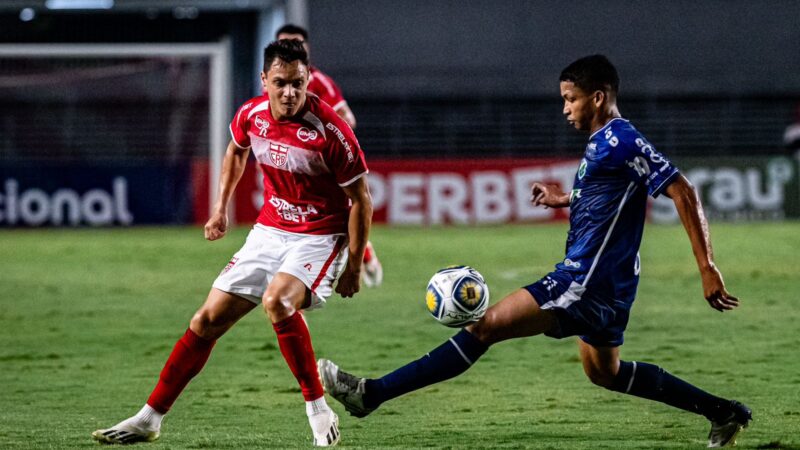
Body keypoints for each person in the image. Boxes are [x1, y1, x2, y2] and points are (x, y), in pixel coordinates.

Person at [318, 55, 752, 448]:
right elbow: (613, 196)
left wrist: (707, 266)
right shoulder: (605, 142)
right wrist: (566, 199)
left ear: (598, 98)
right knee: (605, 372)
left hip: (585, 280)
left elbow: (682, 190)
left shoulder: (621, 139)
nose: (565, 108)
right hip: (611, 284)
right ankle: (723, 412)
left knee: (484, 327)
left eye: (571, 99)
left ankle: (371, 394)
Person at [92, 39, 372, 447]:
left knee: (277, 301)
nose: (289, 92)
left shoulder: (332, 132)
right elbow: (236, 151)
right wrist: (220, 207)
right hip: (270, 230)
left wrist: (354, 265)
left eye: (297, 83)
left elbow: (361, 199)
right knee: (205, 321)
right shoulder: (251, 115)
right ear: (264, 81)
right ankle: (149, 418)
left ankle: (317, 407)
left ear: (308, 79)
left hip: (320, 235)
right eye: (280, 83)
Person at [275, 23, 383, 288]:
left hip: (322, 164)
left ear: (307, 49)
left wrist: (320, 134)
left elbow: (348, 119)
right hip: (290, 163)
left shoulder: (319, 81)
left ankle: (359, 255)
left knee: (340, 213)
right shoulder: (274, 80)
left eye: (296, 43)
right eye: (283, 44)